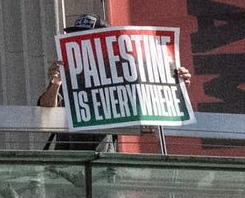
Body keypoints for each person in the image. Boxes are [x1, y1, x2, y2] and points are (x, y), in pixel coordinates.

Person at [37, 13, 190, 152]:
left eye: (85, 37)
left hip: (104, 167)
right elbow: (45, 112)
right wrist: (55, 84)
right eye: (76, 37)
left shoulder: (122, 74)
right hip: (66, 165)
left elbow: (152, 104)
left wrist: (175, 83)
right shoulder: (68, 77)